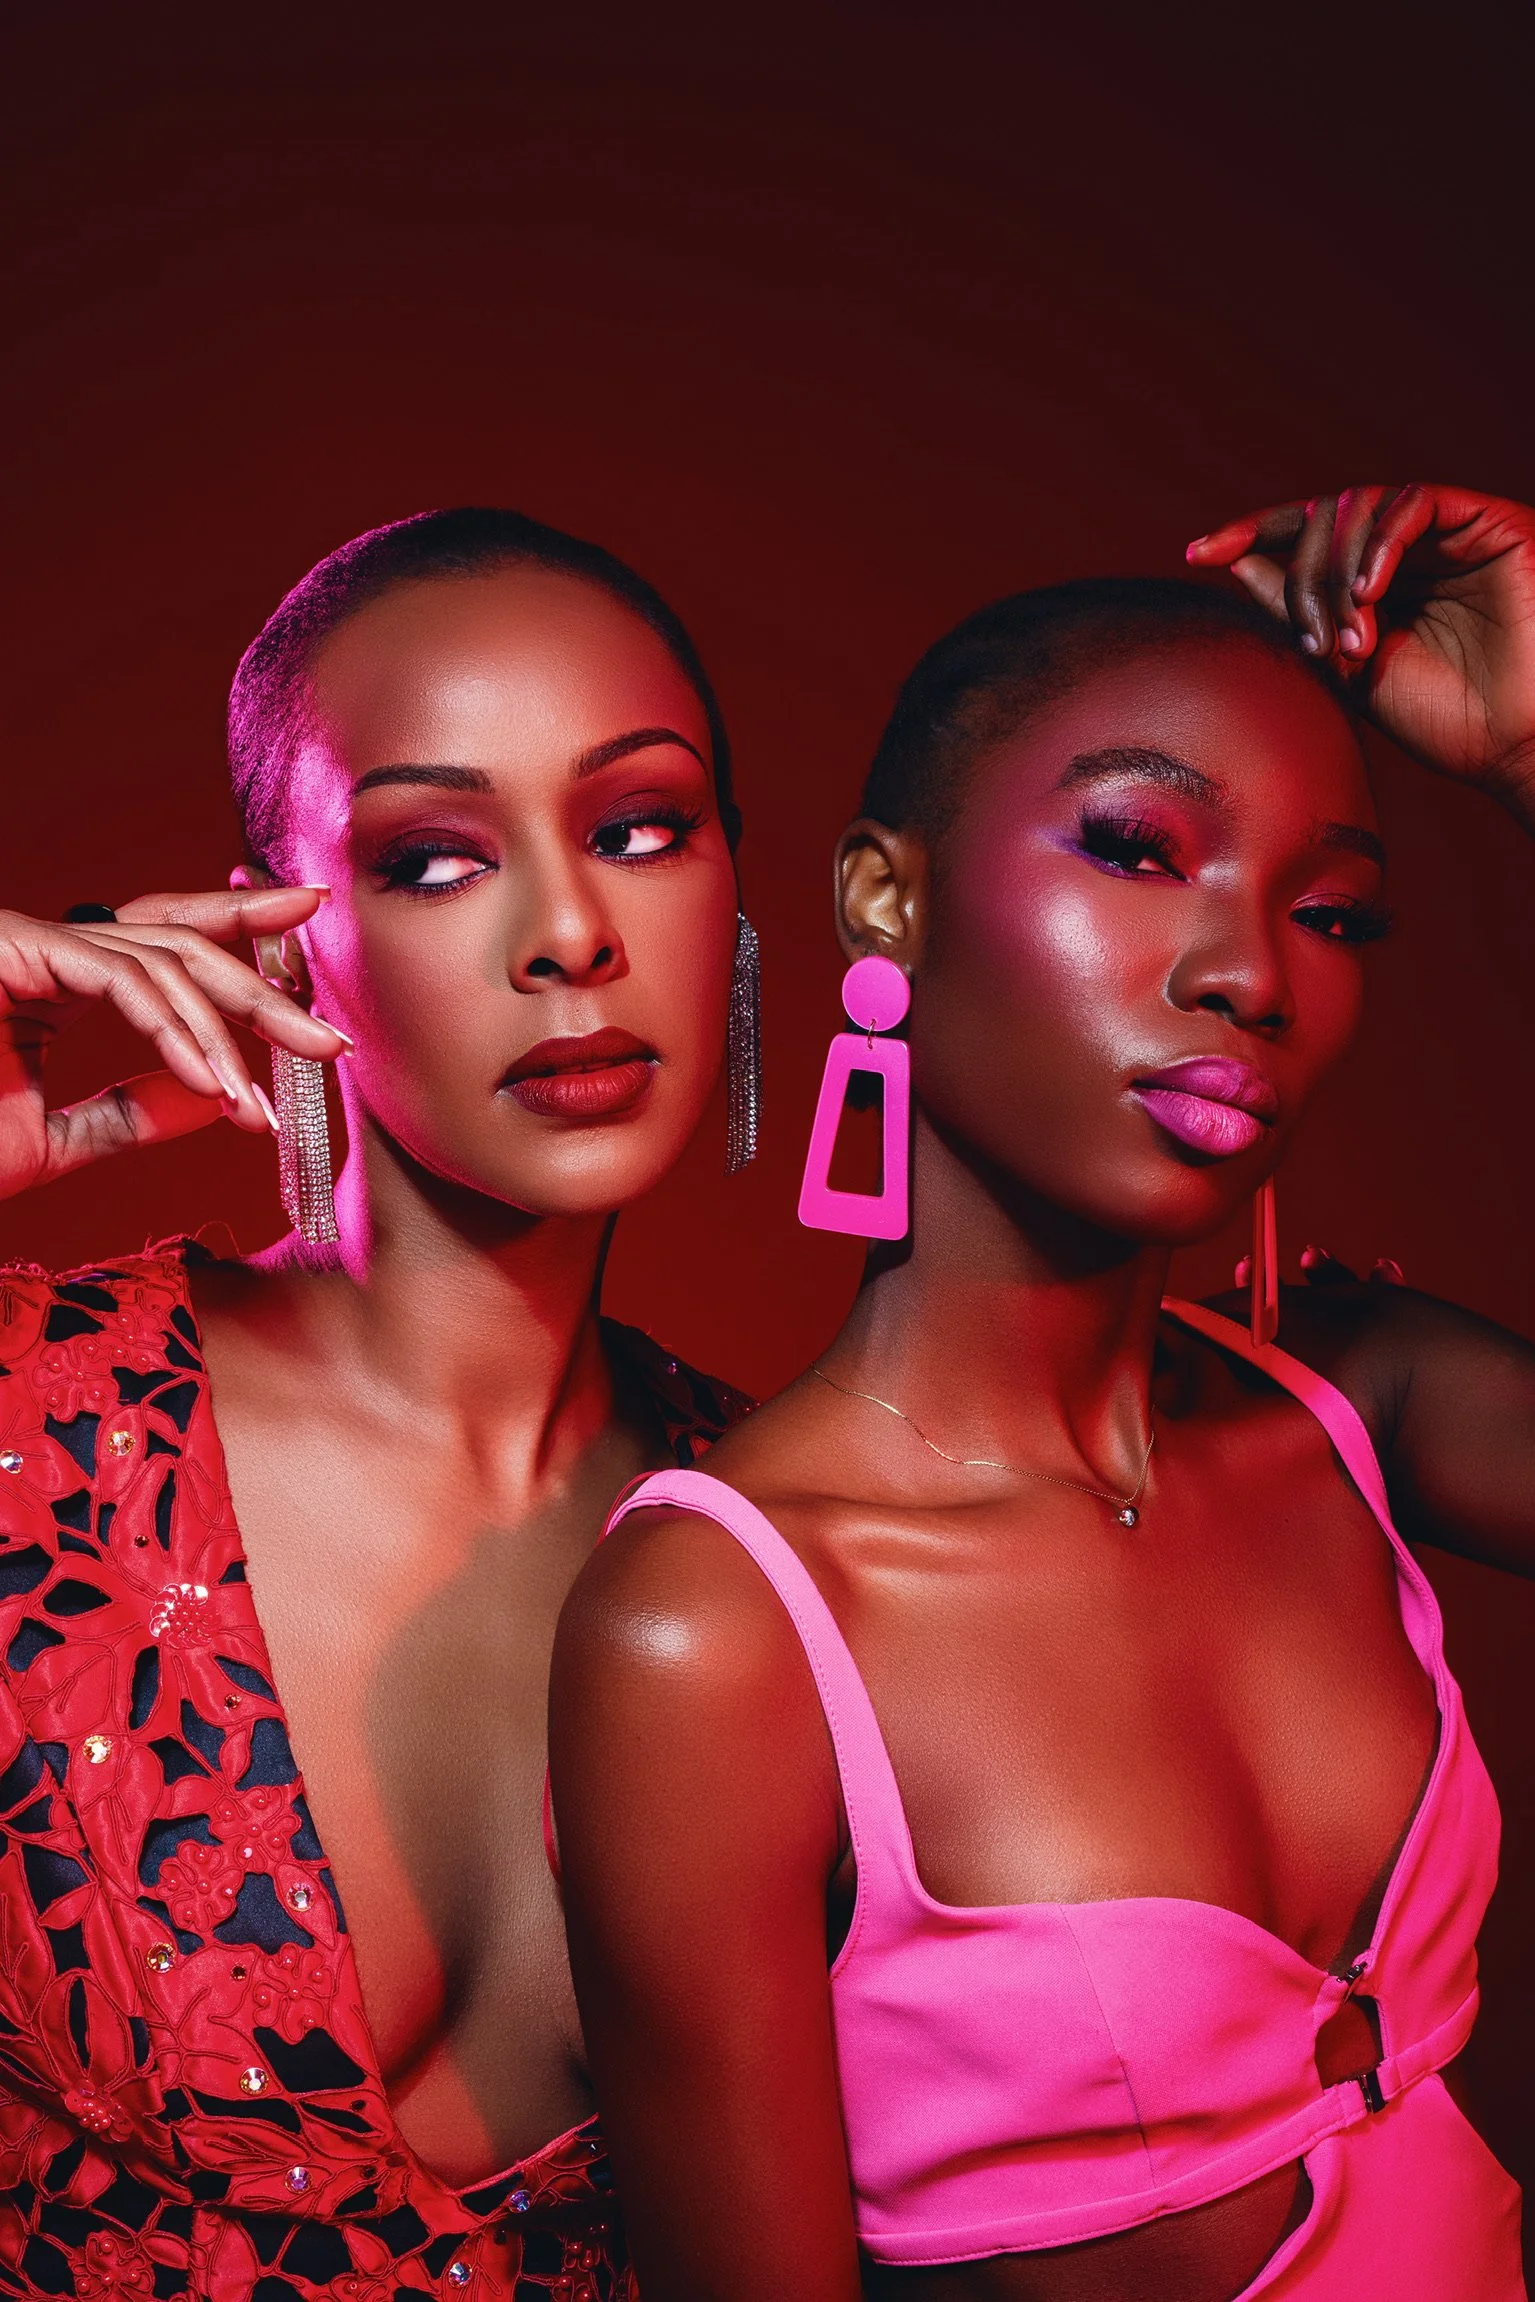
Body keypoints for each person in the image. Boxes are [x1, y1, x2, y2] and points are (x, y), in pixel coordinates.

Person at [549, 483, 1535, 2301]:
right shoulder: (720, 1631)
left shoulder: (1360, 1402)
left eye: (1332, 912)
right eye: (1140, 847)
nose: (1248, 972)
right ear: (881, 898)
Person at [0, 508, 755, 2302]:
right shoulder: (28, 1421)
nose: (572, 931)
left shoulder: (802, 1539)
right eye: (433, 857)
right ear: (281, 936)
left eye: (640, 828)